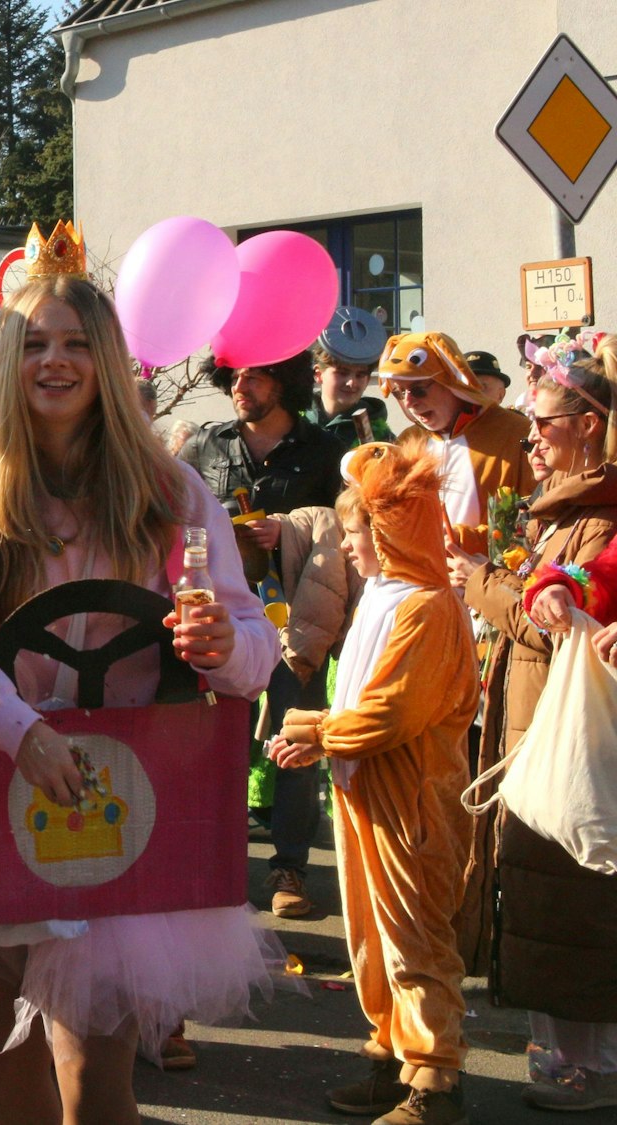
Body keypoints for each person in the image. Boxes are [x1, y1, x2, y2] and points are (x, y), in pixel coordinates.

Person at [0, 271, 281, 1124]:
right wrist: (20, 730)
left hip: (124, 813)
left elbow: (252, 643)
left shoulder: (171, 494)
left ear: (105, 359)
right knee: (14, 1083)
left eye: (73, 343)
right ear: (6, 363)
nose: (53, 361)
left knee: (100, 1088)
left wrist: (224, 647)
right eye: (33, 344)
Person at [269, 441, 478, 1125]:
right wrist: (320, 738)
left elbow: (391, 713)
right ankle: (393, 1057)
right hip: (365, 791)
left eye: (355, 532)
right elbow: (361, 701)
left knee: (415, 937)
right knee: (372, 936)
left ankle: (436, 1080)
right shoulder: (386, 597)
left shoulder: (427, 607)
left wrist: (313, 730)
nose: (347, 546)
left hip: (410, 799)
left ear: (387, 532)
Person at [453, 342, 617, 1113]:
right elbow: (554, 593)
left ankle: (593, 1064)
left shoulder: (601, 515)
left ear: (588, 425)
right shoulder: (561, 511)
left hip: (573, 738)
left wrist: (482, 582)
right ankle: (562, 1053)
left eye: (542, 424)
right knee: (549, 896)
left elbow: (551, 624)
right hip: (537, 726)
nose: (531, 440)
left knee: (576, 901)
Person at [179, 349, 346, 918]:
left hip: (296, 623)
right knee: (214, 741)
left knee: (295, 740)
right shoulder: (206, 445)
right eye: (236, 375)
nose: (241, 386)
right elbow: (169, 513)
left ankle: (290, 869)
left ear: (286, 380)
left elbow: (349, 530)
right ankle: (216, 865)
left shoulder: (324, 449)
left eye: (256, 375)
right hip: (221, 617)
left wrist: (294, 528)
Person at [377, 331, 534, 558]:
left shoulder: (518, 433)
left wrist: (461, 540)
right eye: (400, 393)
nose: (409, 402)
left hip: (487, 575)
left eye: (418, 390)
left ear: (449, 382)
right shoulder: (408, 442)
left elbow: (534, 519)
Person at [308, 306, 393, 448]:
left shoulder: (378, 436)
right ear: (318, 374)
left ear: (367, 380)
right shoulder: (294, 422)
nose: (351, 382)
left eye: (360, 375)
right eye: (342, 372)